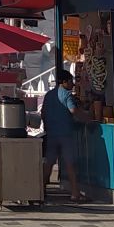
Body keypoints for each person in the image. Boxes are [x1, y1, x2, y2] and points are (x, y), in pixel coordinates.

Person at [40, 69, 84, 202]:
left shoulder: (49, 95)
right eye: (71, 81)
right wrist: (86, 118)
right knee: (70, 163)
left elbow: (42, 113)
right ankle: (75, 193)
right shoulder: (67, 95)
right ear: (64, 82)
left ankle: (40, 191)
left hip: (52, 134)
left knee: (49, 163)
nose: (73, 84)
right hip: (65, 135)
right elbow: (73, 110)